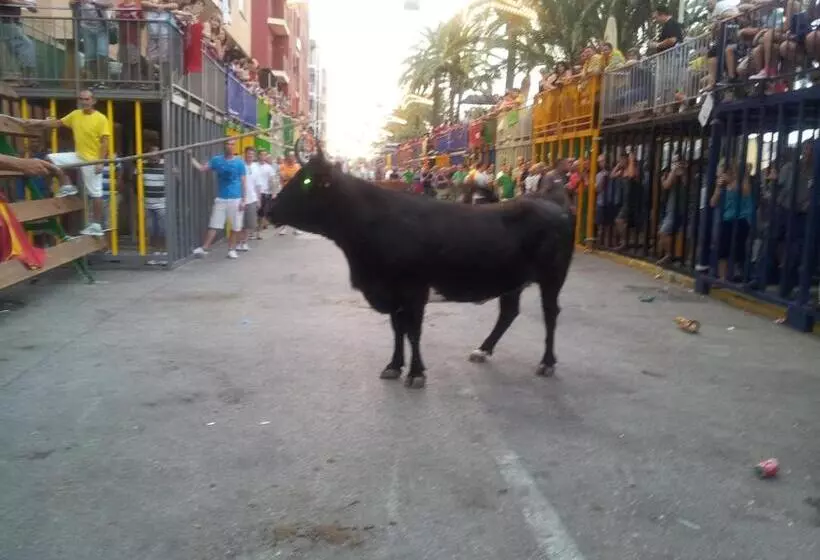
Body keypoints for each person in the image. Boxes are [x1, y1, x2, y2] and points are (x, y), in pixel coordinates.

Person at [21, 89, 110, 236]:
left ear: (93, 101)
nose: (84, 102)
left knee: (96, 193)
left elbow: (105, 142)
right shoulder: (75, 114)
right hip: (79, 155)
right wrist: (37, 123)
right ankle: (67, 184)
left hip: (93, 160)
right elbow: (58, 123)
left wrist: (100, 162)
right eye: (82, 99)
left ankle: (96, 225)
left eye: (87, 99)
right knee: (50, 159)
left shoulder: (101, 118)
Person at [189, 138, 247, 259]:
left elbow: (243, 182)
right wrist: (190, 157)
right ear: (224, 146)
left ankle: (231, 249)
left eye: (232, 144)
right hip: (221, 198)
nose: (230, 146)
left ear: (234, 147)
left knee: (236, 226)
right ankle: (204, 247)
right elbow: (201, 168)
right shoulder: (217, 160)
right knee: (214, 224)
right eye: (228, 144)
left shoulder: (239, 162)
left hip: (236, 199)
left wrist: (244, 200)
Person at [237, 146, 259, 252]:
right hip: (239, 198)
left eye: (252, 154)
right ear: (244, 154)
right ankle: (238, 243)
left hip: (252, 198)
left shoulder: (256, 167)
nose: (250, 155)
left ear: (254, 156)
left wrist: (259, 199)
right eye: (248, 153)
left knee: (249, 223)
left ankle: (244, 242)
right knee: (239, 223)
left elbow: (258, 185)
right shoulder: (240, 165)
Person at [255, 150, 277, 238]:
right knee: (254, 213)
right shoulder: (254, 166)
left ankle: (258, 232)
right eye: (261, 155)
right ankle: (252, 231)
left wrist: (274, 192)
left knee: (261, 214)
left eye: (264, 155)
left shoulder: (269, 168)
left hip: (265, 193)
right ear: (258, 156)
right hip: (254, 193)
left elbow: (273, 181)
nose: (263, 157)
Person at [277, 152, 301, 235]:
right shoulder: (282, 166)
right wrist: (293, 177)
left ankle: (297, 228)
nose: (292, 158)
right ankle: (283, 228)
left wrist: (290, 177)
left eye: (293, 156)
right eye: (290, 156)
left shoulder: (298, 166)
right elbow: (283, 177)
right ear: (287, 157)